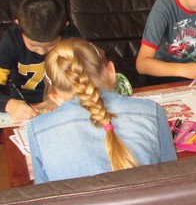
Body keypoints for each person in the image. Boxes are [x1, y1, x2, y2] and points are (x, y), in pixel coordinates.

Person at [27, 39, 177, 184]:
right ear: (111, 71)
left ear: (56, 94)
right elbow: (172, 179)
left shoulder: (37, 129)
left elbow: (44, 193)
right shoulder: (152, 112)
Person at [0, 0, 79, 121]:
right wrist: (9, 105)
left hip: (64, 100)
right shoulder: (12, 39)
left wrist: (63, 99)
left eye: (50, 46)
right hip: (23, 103)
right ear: (18, 24)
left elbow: (90, 79)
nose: (41, 52)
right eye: (33, 45)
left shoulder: (71, 36)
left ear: (66, 26)